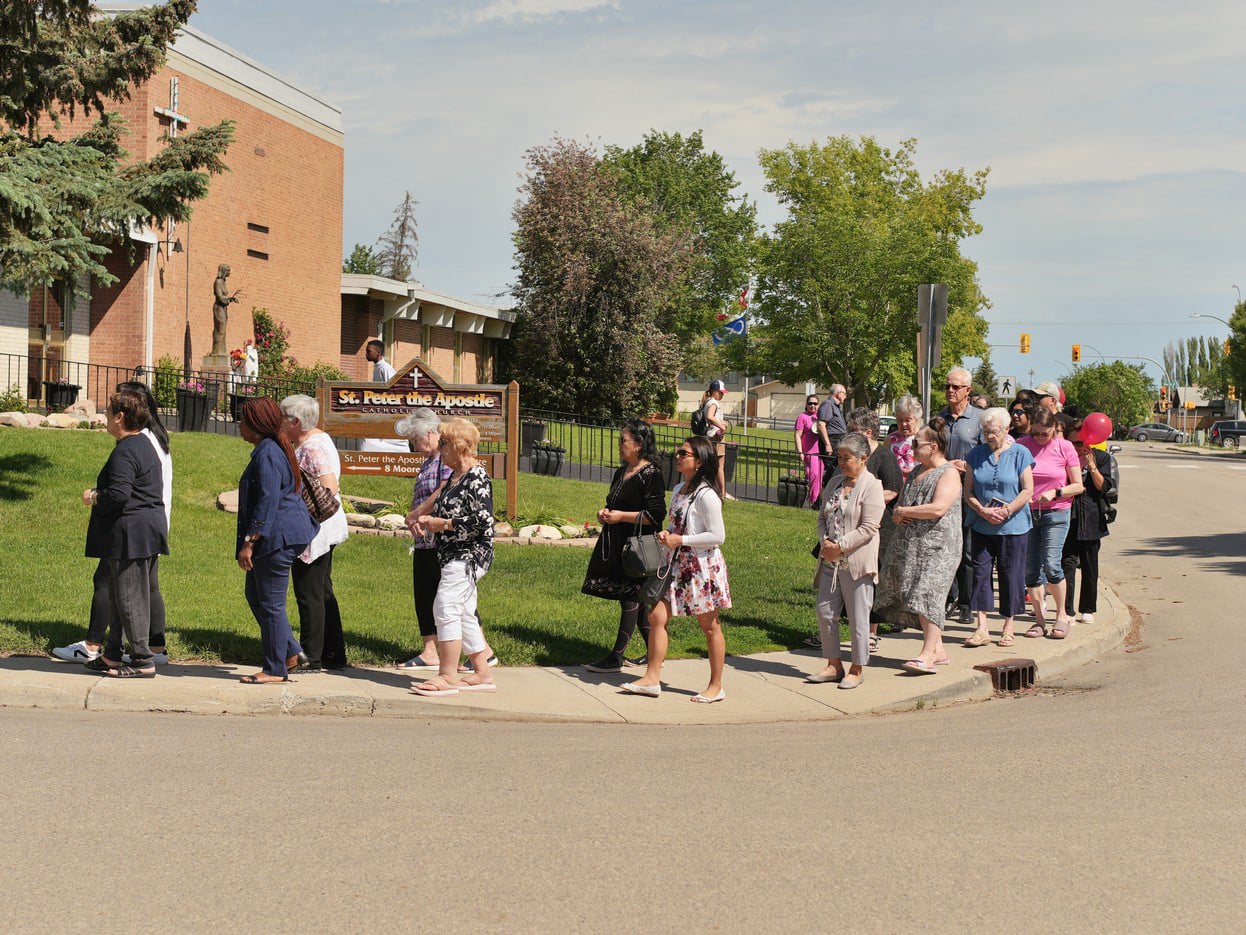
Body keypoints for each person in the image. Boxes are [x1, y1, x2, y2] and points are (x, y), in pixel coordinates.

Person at [54, 380, 172, 666]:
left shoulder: (127, 450)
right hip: (143, 531)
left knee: (130, 599)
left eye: (108, 412)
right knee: (123, 598)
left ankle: (143, 659)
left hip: (131, 534)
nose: (104, 417)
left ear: (120, 417)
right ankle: (112, 656)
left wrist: (93, 496)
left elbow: (119, 494)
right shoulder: (144, 442)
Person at [622, 436, 730, 703]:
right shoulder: (680, 487)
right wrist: (668, 534)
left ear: (700, 460)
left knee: (709, 627)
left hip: (702, 569)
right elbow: (678, 524)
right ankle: (651, 678)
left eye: (684, 453)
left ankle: (716, 686)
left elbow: (718, 535)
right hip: (676, 564)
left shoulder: (707, 495)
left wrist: (680, 540)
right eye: (678, 452)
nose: (677, 456)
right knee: (656, 616)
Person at [397, 411, 498, 672]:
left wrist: (439, 523)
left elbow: (483, 521)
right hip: (447, 549)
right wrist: (424, 519)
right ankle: (482, 670)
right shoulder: (454, 473)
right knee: (461, 608)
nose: (439, 448)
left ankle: (448, 673)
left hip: (466, 554)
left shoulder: (473, 476)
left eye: (443, 443)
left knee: (446, 606)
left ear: (455, 446)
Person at [236, 397, 318, 684]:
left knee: (270, 604)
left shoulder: (268, 453)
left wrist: (250, 542)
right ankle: (292, 652)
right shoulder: (269, 449)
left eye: (243, 421)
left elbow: (267, 500)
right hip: (280, 533)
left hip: (278, 537)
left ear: (256, 425)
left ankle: (274, 668)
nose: (240, 426)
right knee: (255, 596)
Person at [875, 417, 963, 675]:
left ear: (933, 446)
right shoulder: (916, 471)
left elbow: (938, 508)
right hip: (912, 545)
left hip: (939, 548)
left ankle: (926, 656)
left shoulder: (948, 473)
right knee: (913, 592)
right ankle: (939, 650)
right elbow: (904, 502)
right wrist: (898, 513)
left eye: (917, 443)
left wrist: (904, 510)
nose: (912, 448)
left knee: (928, 595)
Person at [582, 419, 667, 672]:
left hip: (637, 547)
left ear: (639, 445)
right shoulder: (623, 471)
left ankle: (616, 656)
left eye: (624, 440)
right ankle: (656, 652)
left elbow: (655, 515)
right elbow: (615, 501)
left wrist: (620, 517)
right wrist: (606, 512)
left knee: (630, 596)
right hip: (619, 542)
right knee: (635, 600)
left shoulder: (651, 473)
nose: (619, 445)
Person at [805, 433, 883, 690]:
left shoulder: (872, 486)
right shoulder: (836, 482)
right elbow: (822, 518)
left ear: (863, 458)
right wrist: (826, 544)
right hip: (830, 562)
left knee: (859, 617)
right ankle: (833, 664)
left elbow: (869, 527)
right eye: (838, 457)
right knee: (825, 611)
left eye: (846, 458)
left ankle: (857, 668)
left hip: (856, 563)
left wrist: (840, 546)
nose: (840, 463)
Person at [281, 394, 350, 672]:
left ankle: (312, 656)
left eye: (283, 418)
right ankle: (334, 652)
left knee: (309, 593)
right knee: (322, 592)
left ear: (296, 422)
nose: (280, 423)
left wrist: (304, 512)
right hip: (324, 526)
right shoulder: (319, 440)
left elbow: (329, 486)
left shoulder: (312, 447)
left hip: (316, 529)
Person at [961, 407, 1035, 647]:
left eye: (993, 431)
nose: (989, 436)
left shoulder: (1021, 453)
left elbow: (1027, 490)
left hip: (1013, 526)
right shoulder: (975, 454)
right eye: (985, 431)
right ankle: (982, 627)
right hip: (982, 524)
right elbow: (968, 491)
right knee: (981, 574)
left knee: (1010, 574)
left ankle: (1008, 626)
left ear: (1006, 429)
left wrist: (1007, 510)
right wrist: (981, 510)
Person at [1019, 410, 1083, 639]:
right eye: (1034, 433)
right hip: (1028, 513)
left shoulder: (1064, 447)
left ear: (1053, 429)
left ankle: (1062, 616)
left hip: (1056, 512)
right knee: (1031, 569)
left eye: (1044, 434)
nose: (1039, 438)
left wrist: (1055, 492)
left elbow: (1078, 485)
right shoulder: (1021, 445)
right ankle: (1039, 619)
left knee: (1051, 563)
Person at [846, 408, 902, 653]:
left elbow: (893, 489)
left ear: (868, 432)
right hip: (848, 525)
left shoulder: (884, 456)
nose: (850, 434)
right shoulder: (852, 454)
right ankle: (842, 628)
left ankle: (872, 633)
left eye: (854, 431)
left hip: (878, 526)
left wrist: (866, 500)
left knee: (872, 578)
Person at [937, 367, 983, 625]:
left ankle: (966, 603)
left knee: (966, 549)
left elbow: (988, 456)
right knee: (944, 546)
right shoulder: (939, 419)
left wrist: (966, 466)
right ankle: (946, 597)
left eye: (956, 387)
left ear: (968, 391)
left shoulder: (979, 419)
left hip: (969, 488)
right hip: (943, 489)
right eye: (947, 386)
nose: (950, 391)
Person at [1061, 419, 1114, 625]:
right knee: (1067, 563)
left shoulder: (1102, 458)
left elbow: (1103, 487)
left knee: (1090, 565)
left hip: (1092, 517)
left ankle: (1088, 608)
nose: (1077, 447)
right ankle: (1067, 610)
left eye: (1081, 443)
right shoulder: (1064, 458)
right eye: (1073, 443)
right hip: (1069, 516)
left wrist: (1091, 466)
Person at [697, 379, 732, 498]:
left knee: (709, 465)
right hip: (716, 438)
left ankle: (707, 488)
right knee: (719, 466)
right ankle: (722, 493)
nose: (722, 394)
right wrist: (722, 426)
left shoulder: (707, 401)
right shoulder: (714, 403)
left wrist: (722, 423)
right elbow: (710, 416)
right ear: (714, 391)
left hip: (709, 436)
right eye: (720, 392)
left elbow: (710, 418)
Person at [793, 394, 824, 506]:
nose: (812, 405)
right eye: (810, 403)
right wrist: (800, 451)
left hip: (821, 452)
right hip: (809, 452)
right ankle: (814, 501)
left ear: (818, 405)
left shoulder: (820, 417)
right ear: (806, 405)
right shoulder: (802, 417)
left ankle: (815, 500)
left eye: (815, 403)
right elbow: (797, 435)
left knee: (819, 477)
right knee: (814, 475)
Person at [888, 395, 923, 480]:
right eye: (900, 420)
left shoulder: (924, 438)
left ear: (917, 419)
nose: (903, 424)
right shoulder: (889, 439)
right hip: (896, 486)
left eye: (908, 420)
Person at [816, 383, 848, 467]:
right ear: (839, 393)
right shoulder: (828, 404)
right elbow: (821, 425)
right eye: (844, 393)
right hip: (833, 441)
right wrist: (828, 445)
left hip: (838, 441)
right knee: (831, 469)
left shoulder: (835, 406)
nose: (845, 396)